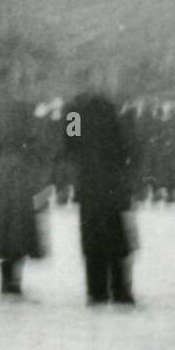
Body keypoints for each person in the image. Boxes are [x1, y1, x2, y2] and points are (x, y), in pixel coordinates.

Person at [63, 72, 137, 305]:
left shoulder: (73, 109)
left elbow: (71, 144)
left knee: (92, 237)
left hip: (88, 181)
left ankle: (96, 290)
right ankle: (120, 288)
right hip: (111, 181)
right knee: (116, 237)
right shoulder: (111, 108)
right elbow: (125, 144)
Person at [0, 92, 47, 298]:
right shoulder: (32, 124)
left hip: (2, 177)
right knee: (20, 231)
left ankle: (7, 280)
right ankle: (14, 281)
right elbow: (45, 147)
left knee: (5, 231)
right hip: (22, 178)